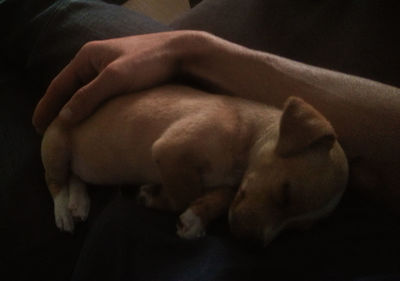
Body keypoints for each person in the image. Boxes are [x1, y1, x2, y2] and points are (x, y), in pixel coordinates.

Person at [2, 0, 400, 280]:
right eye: (282, 198)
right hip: (206, 86)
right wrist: (193, 50)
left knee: (49, 27)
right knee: (56, 24)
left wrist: (194, 50)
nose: (266, 234)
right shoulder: (275, 136)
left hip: (140, 184)